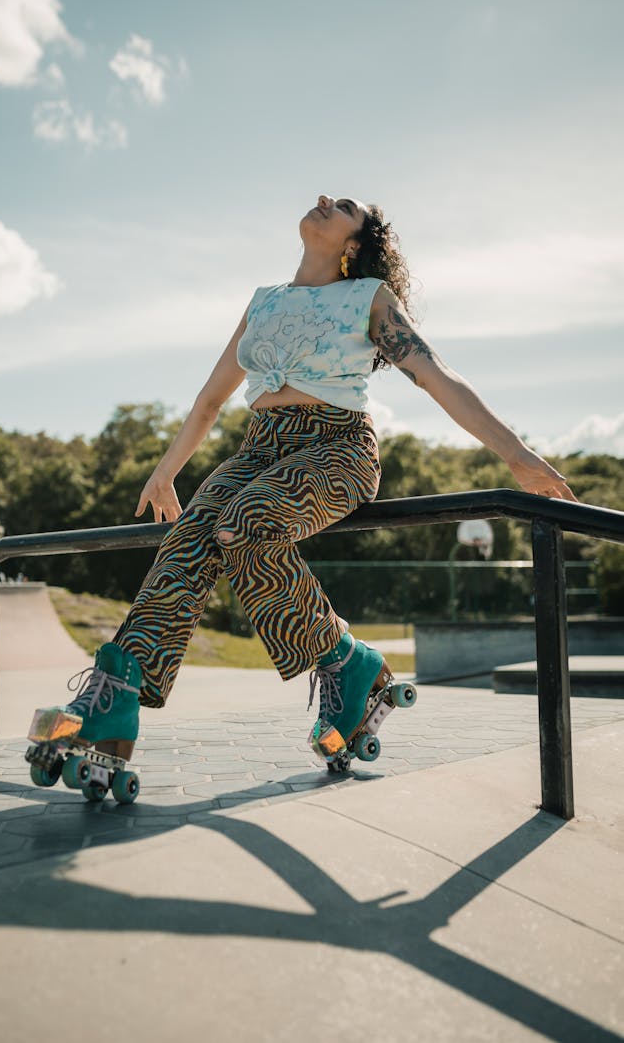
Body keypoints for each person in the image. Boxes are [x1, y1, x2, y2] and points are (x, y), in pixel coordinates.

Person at [33, 194, 575, 769]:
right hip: (258, 449)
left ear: (354, 245)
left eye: (342, 206)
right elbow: (211, 399)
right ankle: (119, 692)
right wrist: (166, 471)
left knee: (243, 524)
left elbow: (434, 374)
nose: (323, 201)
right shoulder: (264, 302)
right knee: (188, 540)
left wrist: (515, 455)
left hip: (336, 447)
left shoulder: (367, 298)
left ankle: (345, 658)